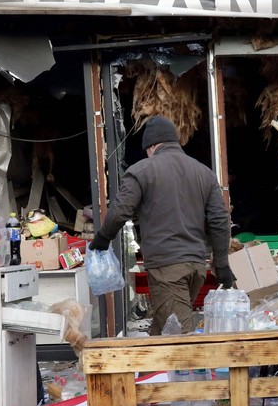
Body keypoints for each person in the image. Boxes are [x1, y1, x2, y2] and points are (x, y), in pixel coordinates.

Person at [89, 115, 234, 335]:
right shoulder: (204, 173)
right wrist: (221, 263)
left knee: (180, 338)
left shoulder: (141, 171)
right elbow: (220, 220)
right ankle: (146, 369)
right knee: (162, 327)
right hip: (196, 267)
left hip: (167, 268)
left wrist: (101, 239)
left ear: (152, 146)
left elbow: (120, 211)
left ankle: (189, 369)